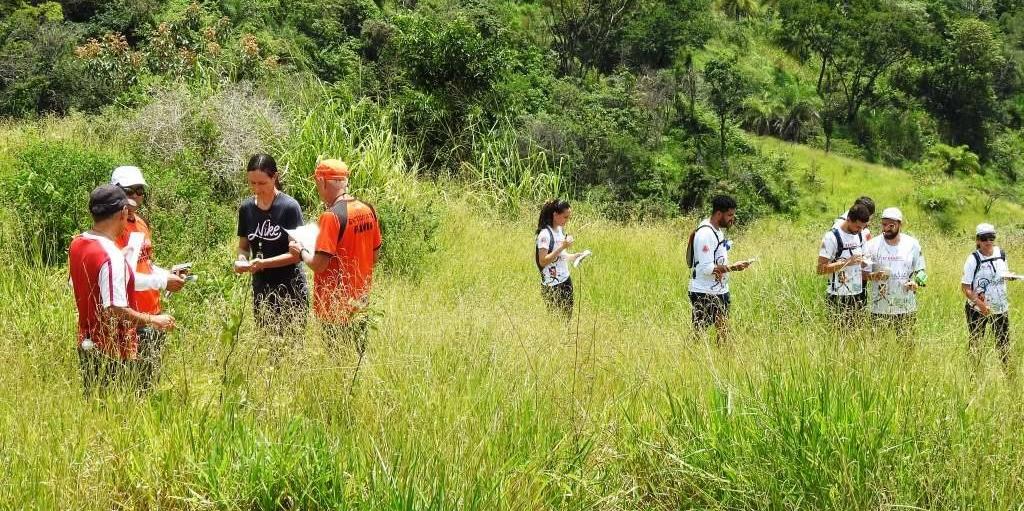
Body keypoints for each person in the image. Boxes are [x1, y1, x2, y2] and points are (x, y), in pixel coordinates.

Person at [69, 185, 175, 395]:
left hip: (86, 342)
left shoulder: (78, 243)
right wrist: (154, 320)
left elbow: (79, 283)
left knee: (95, 408)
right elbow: (114, 310)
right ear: (123, 213)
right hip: (113, 349)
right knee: (123, 407)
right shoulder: (111, 256)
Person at [289, 159, 382, 354]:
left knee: (337, 361)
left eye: (317, 184)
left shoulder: (331, 217)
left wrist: (301, 252)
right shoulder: (368, 209)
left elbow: (319, 265)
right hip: (361, 301)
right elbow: (374, 257)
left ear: (323, 181)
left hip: (334, 306)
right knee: (357, 358)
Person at [111, 165, 187, 391]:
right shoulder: (113, 229)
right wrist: (163, 282)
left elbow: (146, 264)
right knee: (125, 383)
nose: (135, 196)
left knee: (147, 382)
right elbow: (121, 276)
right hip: (128, 314)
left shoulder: (141, 224)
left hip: (152, 310)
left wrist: (167, 275)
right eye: (129, 190)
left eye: (140, 190)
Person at [234, 154, 308, 334]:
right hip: (261, 286)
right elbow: (244, 245)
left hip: (290, 286)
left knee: (292, 343)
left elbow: (296, 254)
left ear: (274, 177)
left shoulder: (289, 207)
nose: (256, 189)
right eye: (252, 183)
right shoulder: (246, 209)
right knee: (266, 341)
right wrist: (242, 260)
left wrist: (263, 264)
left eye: (262, 183)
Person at [686, 195, 751, 344]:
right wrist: (733, 267)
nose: (732, 219)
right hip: (704, 292)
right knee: (698, 333)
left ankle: (726, 362)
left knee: (724, 331)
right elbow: (706, 268)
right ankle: (689, 359)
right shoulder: (705, 234)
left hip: (720, 290)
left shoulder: (718, 231)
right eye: (729, 215)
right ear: (718, 214)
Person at [863, 207, 925, 338]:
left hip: (906, 306)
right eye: (884, 224)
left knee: (907, 346)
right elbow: (862, 274)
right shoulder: (872, 245)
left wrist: (916, 282)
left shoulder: (912, 244)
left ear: (900, 224)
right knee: (877, 347)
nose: (887, 228)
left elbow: (921, 271)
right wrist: (875, 275)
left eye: (891, 225)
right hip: (879, 307)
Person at [961, 223, 1013, 370]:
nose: (988, 242)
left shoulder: (1001, 254)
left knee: (1003, 343)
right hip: (977, 309)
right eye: (984, 238)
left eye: (991, 237)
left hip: (1000, 307)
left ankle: (1007, 372)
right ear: (977, 240)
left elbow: (1003, 275)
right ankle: (973, 373)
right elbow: (965, 288)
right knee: (976, 342)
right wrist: (981, 305)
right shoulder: (973, 259)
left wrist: (1010, 277)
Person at [817, 202, 871, 328]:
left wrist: (866, 262)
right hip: (838, 295)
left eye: (863, 227)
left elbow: (865, 258)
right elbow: (820, 269)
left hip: (858, 293)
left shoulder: (860, 235)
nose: (860, 230)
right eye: (858, 227)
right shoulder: (831, 237)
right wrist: (847, 262)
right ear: (848, 219)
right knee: (838, 335)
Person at [535, 199, 585, 317]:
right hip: (551, 285)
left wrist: (575, 256)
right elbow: (543, 261)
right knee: (555, 319)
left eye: (568, 217)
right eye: (565, 217)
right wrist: (563, 246)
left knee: (567, 319)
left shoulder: (559, 230)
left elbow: (561, 257)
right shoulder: (544, 235)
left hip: (565, 280)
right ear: (555, 215)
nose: (567, 220)